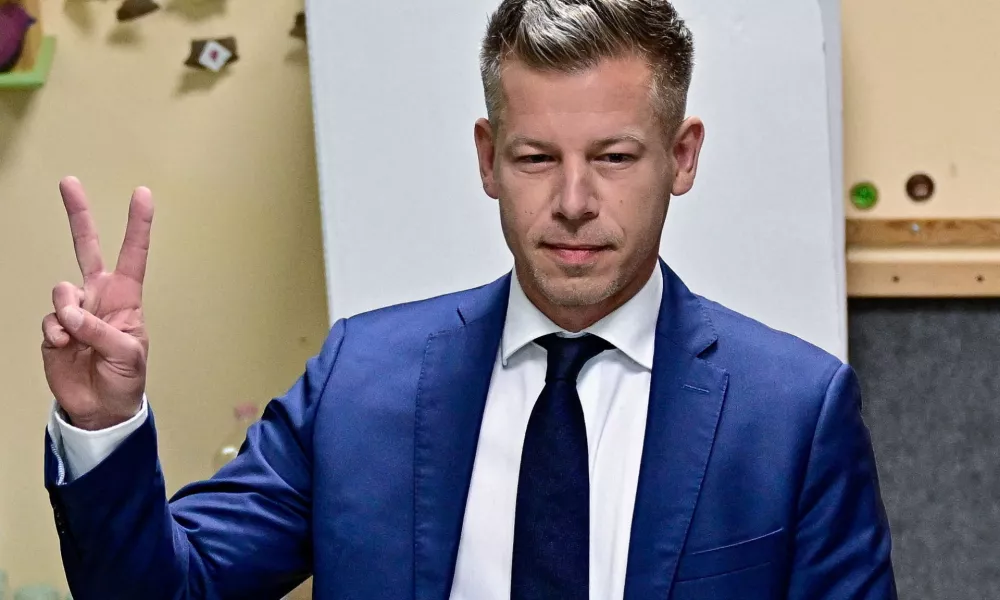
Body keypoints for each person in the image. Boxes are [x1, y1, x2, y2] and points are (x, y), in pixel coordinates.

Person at [39, 1, 897, 599]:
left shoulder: (791, 412)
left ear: (684, 156)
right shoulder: (359, 381)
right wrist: (101, 426)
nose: (572, 200)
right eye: (534, 158)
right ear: (487, 159)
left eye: (615, 157)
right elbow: (173, 588)